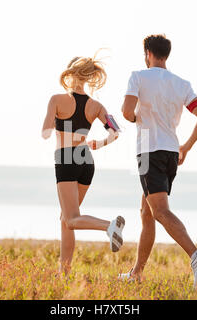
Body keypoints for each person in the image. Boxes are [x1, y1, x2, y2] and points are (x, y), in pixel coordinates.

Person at [120, 34, 197, 289]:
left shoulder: (138, 76)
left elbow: (127, 112)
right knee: (147, 212)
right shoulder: (182, 83)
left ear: (147, 53)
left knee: (159, 211)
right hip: (172, 152)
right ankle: (136, 272)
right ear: (166, 55)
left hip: (148, 151)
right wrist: (187, 147)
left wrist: (136, 118)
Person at [41, 54, 125, 275]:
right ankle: (64, 273)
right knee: (66, 218)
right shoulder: (96, 105)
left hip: (66, 158)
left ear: (69, 73)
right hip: (86, 159)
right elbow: (116, 132)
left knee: (71, 219)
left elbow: (45, 133)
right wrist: (99, 143)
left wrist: (54, 121)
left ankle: (110, 225)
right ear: (88, 77)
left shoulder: (56, 99)